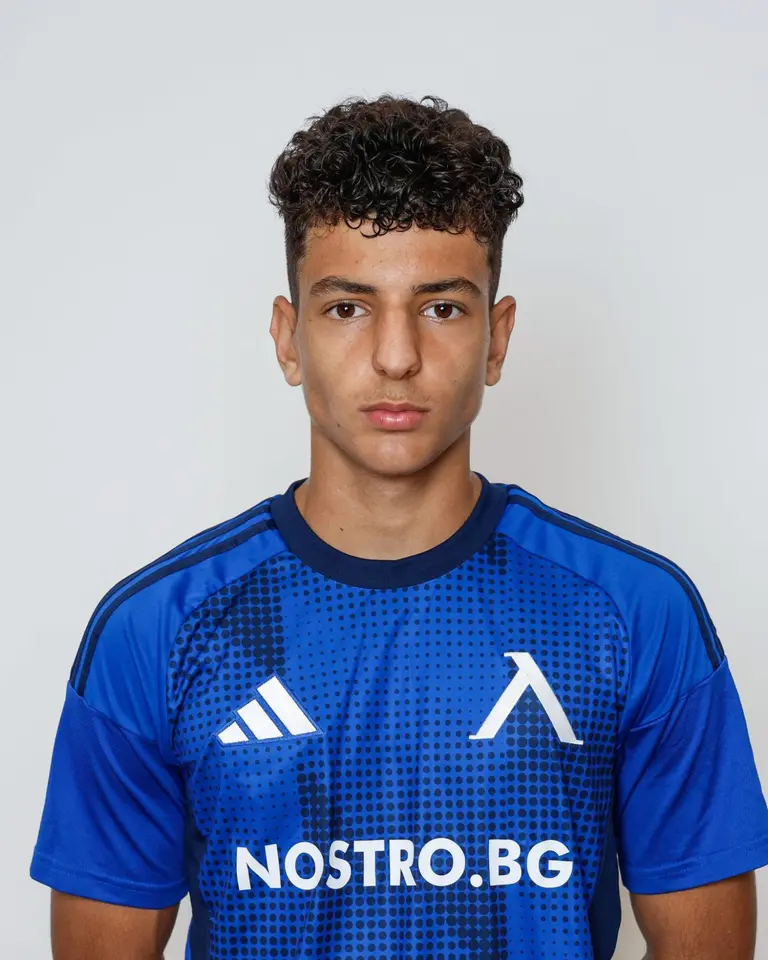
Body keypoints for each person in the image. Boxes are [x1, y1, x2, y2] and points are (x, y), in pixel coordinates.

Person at [30, 93, 768, 960]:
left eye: (441, 308)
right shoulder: (157, 632)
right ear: (288, 338)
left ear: (497, 339)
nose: (395, 356)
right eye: (347, 307)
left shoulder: (635, 613)